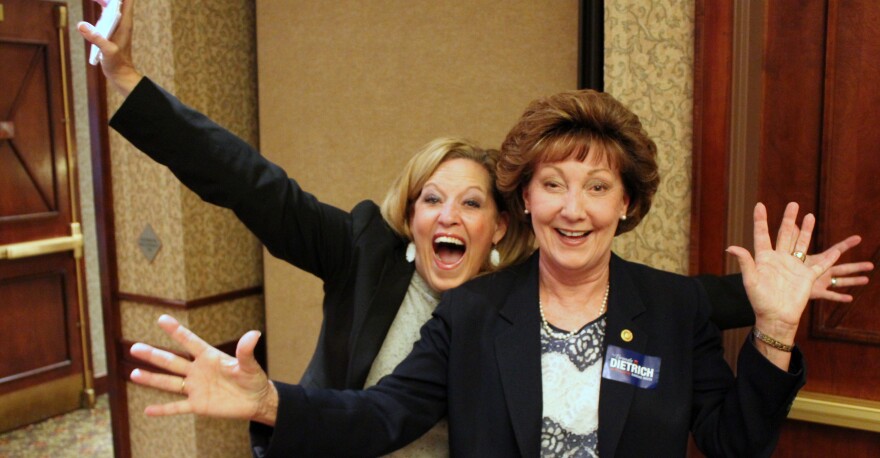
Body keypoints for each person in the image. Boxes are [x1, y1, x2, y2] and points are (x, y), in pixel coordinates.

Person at [78, 1, 872, 456]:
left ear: (625, 205)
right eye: (552, 183)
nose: (573, 206)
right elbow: (383, 412)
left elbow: (732, 434)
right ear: (526, 201)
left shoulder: (668, 310)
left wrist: (772, 324)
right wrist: (269, 403)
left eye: (597, 187)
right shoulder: (455, 306)